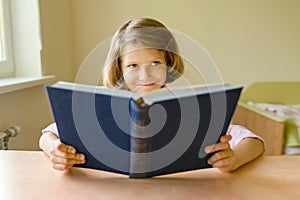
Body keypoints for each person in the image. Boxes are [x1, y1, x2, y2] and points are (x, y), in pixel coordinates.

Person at [39, 17, 265, 173]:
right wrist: (54, 150)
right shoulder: (105, 106)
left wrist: (234, 158)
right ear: (119, 69)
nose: (144, 74)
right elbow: (48, 134)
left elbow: (254, 142)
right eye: (133, 65)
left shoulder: (190, 107)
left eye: (155, 62)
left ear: (169, 64)